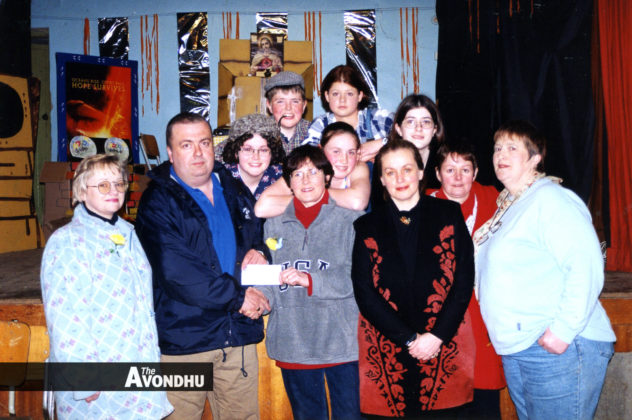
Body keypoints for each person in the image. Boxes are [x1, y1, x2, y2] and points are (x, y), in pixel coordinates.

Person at [473, 120, 615, 420]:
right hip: (521, 348)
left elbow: (585, 264)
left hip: (557, 347)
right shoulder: (510, 206)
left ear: (535, 158)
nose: (501, 154)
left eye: (512, 148)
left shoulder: (549, 198)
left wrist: (562, 332)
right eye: (497, 148)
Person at [135, 112, 271, 420]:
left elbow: (259, 233)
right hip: (186, 341)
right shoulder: (157, 201)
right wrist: (239, 298)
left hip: (236, 338)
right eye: (186, 145)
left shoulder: (233, 188)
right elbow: (178, 273)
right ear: (170, 153)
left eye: (204, 143)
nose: (198, 152)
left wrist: (261, 250)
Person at [40, 154, 173, 419]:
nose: (113, 190)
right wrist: (84, 378)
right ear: (81, 191)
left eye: (118, 183)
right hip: (97, 380)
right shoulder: (68, 241)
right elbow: (66, 318)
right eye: (102, 185)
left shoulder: (127, 233)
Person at [352, 139, 475, 417]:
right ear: (381, 179)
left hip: (443, 345)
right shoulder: (366, 226)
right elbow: (364, 293)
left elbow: (463, 281)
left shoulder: (449, 214)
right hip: (388, 348)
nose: (400, 178)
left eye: (407, 169)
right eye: (390, 172)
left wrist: (437, 336)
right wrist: (408, 338)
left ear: (420, 172)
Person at [259, 145, 363, 420]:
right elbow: (270, 276)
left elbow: (360, 280)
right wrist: (260, 297)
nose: (305, 180)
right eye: (297, 174)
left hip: (342, 344)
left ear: (327, 177)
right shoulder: (273, 224)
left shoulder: (352, 221)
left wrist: (310, 280)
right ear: (289, 182)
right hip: (294, 342)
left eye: (313, 172)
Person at [427, 139, 505, 419]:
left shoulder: (495, 200)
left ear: (476, 172)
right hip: (441, 320)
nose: (458, 177)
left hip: (482, 318)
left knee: (484, 403)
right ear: (438, 174)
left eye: (465, 170)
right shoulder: (423, 205)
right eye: (450, 170)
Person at [254, 121, 370, 218]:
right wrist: (307, 198)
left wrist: (312, 195)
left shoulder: (358, 167)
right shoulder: (306, 167)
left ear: (358, 154)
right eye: (336, 151)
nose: (344, 159)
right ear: (321, 150)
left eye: (351, 152)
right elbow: (261, 208)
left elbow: (357, 202)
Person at [304, 65, 393, 162]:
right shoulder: (321, 124)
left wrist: (381, 143)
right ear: (327, 96)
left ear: (360, 96)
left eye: (349, 94)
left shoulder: (380, 118)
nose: (342, 100)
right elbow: (306, 158)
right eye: (335, 94)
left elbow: (405, 136)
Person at [221, 113, 285, 204]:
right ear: (236, 152)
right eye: (247, 149)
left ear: (272, 153)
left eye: (263, 150)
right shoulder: (221, 179)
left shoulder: (282, 177)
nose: (256, 157)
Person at [389, 93, 445, 189]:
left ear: (435, 129)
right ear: (399, 129)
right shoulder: (385, 160)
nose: (419, 128)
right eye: (410, 122)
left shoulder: (445, 161)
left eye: (426, 122)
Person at [265, 71, 310, 152]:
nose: (288, 108)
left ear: (304, 106)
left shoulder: (315, 133)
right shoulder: (259, 135)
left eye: (295, 101)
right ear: (269, 106)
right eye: (280, 102)